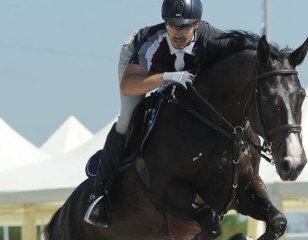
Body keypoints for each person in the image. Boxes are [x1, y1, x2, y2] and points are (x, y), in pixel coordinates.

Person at [84, 0, 235, 227]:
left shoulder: (212, 39)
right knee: (127, 117)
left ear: (197, 24)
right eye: (172, 25)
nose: (177, 33)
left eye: (184, 26)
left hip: (180, 70)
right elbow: (128, 85)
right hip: (140, 68)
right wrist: (166, 77)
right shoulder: (152, 42)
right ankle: (98, 195)